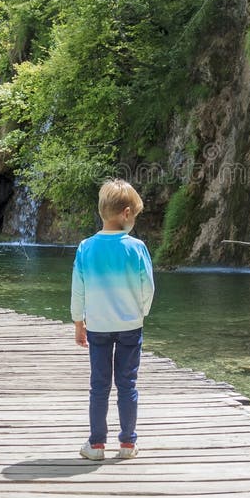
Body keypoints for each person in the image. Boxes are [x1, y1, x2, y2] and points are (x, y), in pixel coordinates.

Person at [71, 178, 154, 461]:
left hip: (98, 326)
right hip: (131, 325)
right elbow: (148, 287)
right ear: (127, 214)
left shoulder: (85, 247)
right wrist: (140, 311)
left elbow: (78, 289)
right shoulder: (137, 247)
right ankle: (128, 444)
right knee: (127, 384)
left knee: (100, 385)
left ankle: (96, 445)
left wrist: (78, 323)